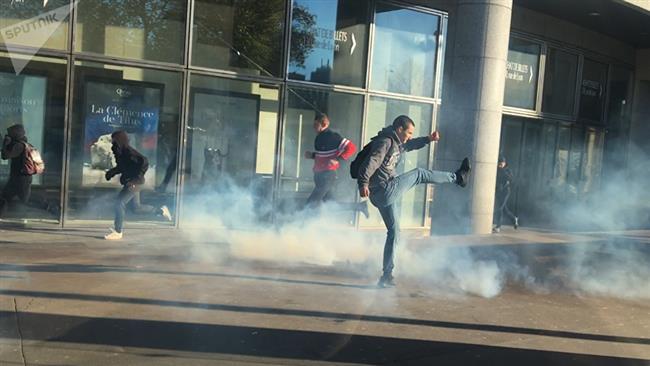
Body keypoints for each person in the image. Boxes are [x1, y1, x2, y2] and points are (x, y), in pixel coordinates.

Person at [357, 115, 471, 288]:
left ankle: (386, 276)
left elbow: (409, 145)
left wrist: (428, 139)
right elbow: (372, 161)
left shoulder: (397, 143)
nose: (409, 136)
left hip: (382, 194)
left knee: (394, 232)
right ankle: (458, 177)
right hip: (384, 190)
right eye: (409, 132)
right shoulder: (386, 142)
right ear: (399, 129)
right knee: (419, 174)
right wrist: (363, 182)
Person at [104, 131, 172, 240]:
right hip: (131, 181)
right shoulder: (120, 151)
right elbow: (122, 167)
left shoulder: (128, 151)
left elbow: (144, 162)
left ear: (120, 140)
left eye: (114, 139)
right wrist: (111, 173)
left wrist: (136, 179)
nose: (112, 142)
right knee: (137, 208)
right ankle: (161, 211)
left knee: (119, 203)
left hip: (135, 183)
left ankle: (118, 231)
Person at [304, 113, 369, 218]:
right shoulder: (319, 137)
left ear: (324, 123)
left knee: (311, 203)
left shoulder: (332, 136)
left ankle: (300, 226)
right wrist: (312, 155)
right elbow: (323, 155)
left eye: (316, 124)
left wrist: (337, 159)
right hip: (320, 176)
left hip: (327, 176)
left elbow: (351, 148)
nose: (314, 127)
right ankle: (360, 206)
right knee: (331, 205)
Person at [0, 124, 33, 218]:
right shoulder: (24, 144)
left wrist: (5, 144)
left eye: (10, 133)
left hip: (20, 178)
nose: (8, 135)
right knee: (6, 197)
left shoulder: (19, 145)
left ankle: (46, 206)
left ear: (15, 134)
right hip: (21, 177)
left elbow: (5, 156)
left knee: (24, 200)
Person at [493, 155, 518, 233]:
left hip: (505, 191)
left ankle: (498, 226)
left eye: (502, 163)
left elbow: (511, 179)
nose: (500, 164)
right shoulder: (496, 169)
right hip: (498, 191)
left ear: (505, 163)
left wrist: (503, 171)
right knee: (504, 209)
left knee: (499, 208)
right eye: (499, 163)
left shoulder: (507, 170)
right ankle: (514, 219)